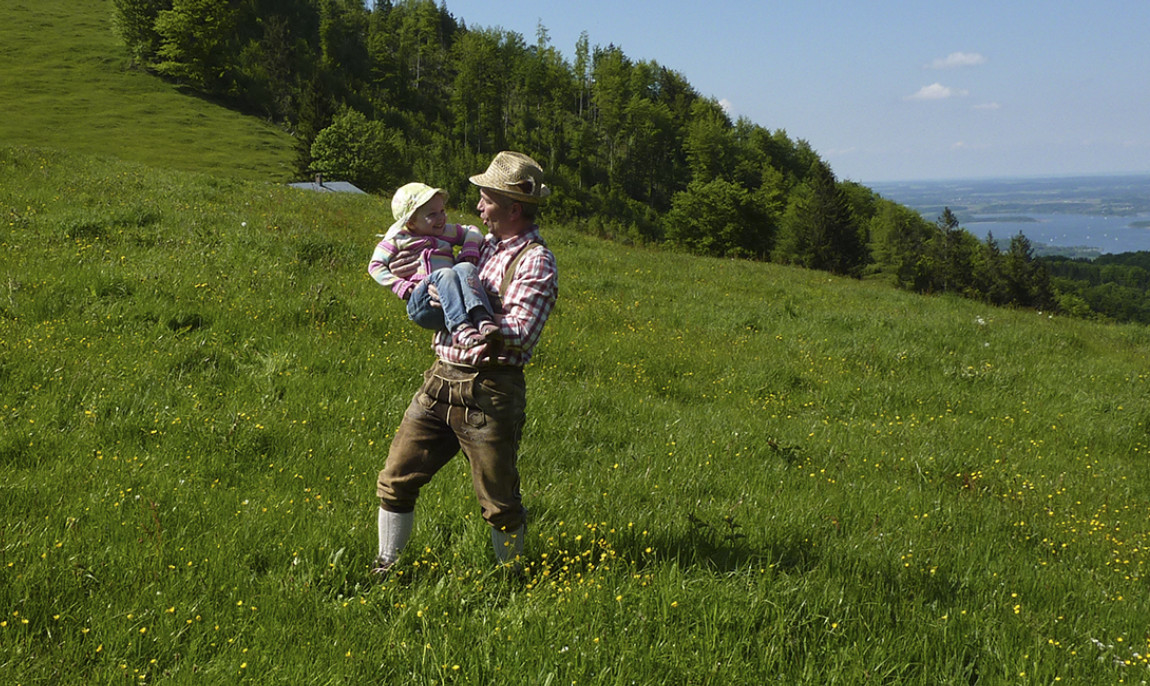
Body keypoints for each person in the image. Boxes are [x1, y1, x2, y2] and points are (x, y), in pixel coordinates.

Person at [373, 151, 558, 575]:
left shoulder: (535, 260)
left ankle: (512, 579)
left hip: (490, 390)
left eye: (486, 199)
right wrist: (421, 282)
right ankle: (386, 566)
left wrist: (476, 318)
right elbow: (432, 302)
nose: (477, 207)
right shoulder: (478, 245)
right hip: (439, 379)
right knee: (395, 478)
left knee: (498, 500)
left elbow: (522, 332)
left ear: (513, 208)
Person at [369, 182, 500, 349]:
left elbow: (472, 230)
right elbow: (375, 266)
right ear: (410, 223)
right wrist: (400, 286)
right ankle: (460, 329)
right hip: (424, 301)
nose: (441, 218)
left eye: (442, 211)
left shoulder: (445, 232)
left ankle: (481, 317)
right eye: (432, 214)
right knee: (446, 273)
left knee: (466, 267)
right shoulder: (398, 239)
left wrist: (469, 249)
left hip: (452, 296)